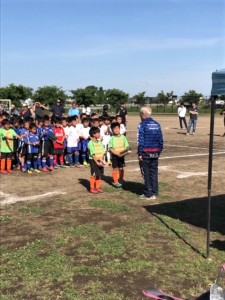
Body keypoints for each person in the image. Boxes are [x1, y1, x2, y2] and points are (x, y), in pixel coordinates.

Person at [137, 106, 163, 200]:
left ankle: (148, 193)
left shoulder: (142, 125)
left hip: (146, 152)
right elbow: (160, 140)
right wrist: (158, 151)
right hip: (155, 152)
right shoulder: (157, 124)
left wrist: (140, 153)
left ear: (143, 114)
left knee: (146, 172)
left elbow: (140, 140)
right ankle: (155, 192)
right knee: (154, 172)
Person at [109, 122, 130, 188]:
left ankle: (121, 179)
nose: (116, 130)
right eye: (114, 128)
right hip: (115, 156)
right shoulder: (111, 138)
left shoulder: (123, 137)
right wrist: (116, 153)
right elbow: (110, 148)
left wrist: (126, 152)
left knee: (121, 168)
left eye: (118, 128)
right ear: (112, 130)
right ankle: (115, 181)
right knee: (115, 168)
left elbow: (127, 146)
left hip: (121, 156)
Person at [87, 126, 105, 193]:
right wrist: (97, 162)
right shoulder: (90, 143)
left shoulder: (99, 142)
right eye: (97, 133)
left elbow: (103, 151)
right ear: (93, 134)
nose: (99, 134)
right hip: (93, 160)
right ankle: (92, 188)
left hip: (100, 160)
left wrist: (102, 160)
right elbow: (92, 154)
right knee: (94, 174)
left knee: (99, 174)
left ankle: (98, 187)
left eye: (99, 132)